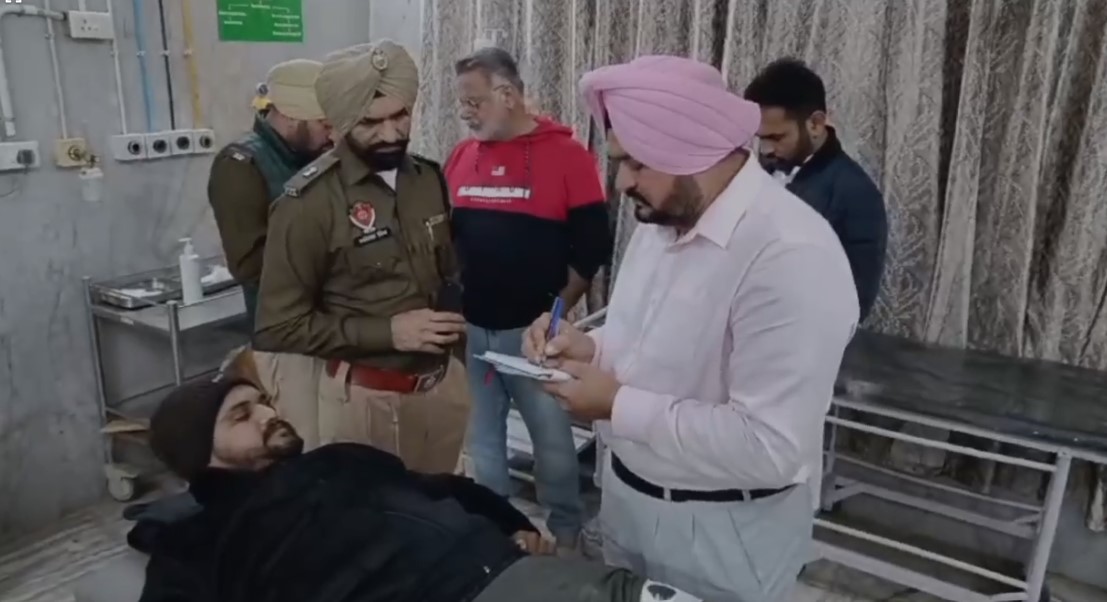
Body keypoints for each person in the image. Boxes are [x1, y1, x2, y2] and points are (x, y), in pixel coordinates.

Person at [521, 56, 859, 602]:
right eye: (619, 162)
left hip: (723, 535)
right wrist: (589, 348)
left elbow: (771, 446)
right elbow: (652, 342)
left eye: (635, 163)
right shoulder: (664, 220)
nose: (621, 183)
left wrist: (616, 404)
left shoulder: (790, 254)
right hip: (627, 505)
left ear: (693, 148)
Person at [130, 379, 703, 602]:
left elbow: (449, 488)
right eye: (242, 415)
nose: (267, 413)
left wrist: (517, 526)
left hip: (509, 571)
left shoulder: (339, 459)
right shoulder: (199, 540)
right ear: (201, 454)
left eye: (263, 401)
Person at [252, 40, 470, 473]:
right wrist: (387, 333)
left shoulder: (427, 179)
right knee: (378, 514)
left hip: (442, 390)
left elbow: (446, 274)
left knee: (445, 505)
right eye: (371, 122)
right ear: (338, 122)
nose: (391, 134)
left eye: (400, 116)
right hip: (367, 401)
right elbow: (277, 327)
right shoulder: (308, 204)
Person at [445, 47, 612, 552]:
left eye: (474, 101)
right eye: (461, 103)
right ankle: (499, 536)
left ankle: (566, 537)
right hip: (474, 330)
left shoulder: (568, 156)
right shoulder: (461, 157)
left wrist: (553, 315)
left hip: (534, 336)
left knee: (554, 446)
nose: (465, 112)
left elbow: (591, 250)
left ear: (508, 94)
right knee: (482, 443)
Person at [744, 58, 888, 321]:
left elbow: (856, 301)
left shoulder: (858, 195)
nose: (765, 150)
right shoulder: (759, 170)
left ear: (816, 124)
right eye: (760, 138)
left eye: (776, 137)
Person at [208, 59, 333, 325]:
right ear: (291, 117)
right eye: (324, 125)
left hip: (331, 320)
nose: (332, 136)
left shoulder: (314, 155)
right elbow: (250, 266)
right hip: (285, 327)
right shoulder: (241, 167)